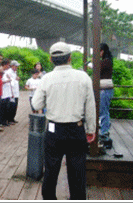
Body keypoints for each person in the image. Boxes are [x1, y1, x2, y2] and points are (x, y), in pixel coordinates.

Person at [32, 41, 96, 200]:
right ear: (70, 58)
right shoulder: (83, 77)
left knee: (51, 169)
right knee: (77, 171)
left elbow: (36, 104)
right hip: (77, 129)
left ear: (51, 59)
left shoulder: (46, 78)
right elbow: (90, 107)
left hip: (54, 130)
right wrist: (91, 130)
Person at [99, 43, 114, 146]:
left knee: (103, 111)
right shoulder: (107, 61)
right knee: (104, 111)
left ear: (102, 51)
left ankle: (104, 132)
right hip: (106, 89)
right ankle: (105, 129)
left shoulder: (106, 62)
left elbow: (98, 70)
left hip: (105, 89)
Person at [0, 58, 13, 127]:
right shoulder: (1, 72)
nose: (8, 67)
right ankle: (2, 121)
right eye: (7, 65)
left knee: (7, 108)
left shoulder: (6, 72)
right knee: (2, 109)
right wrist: (7, 81)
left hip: (7, 93)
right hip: (3, 94)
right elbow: (0, 81)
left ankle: (6, 121)